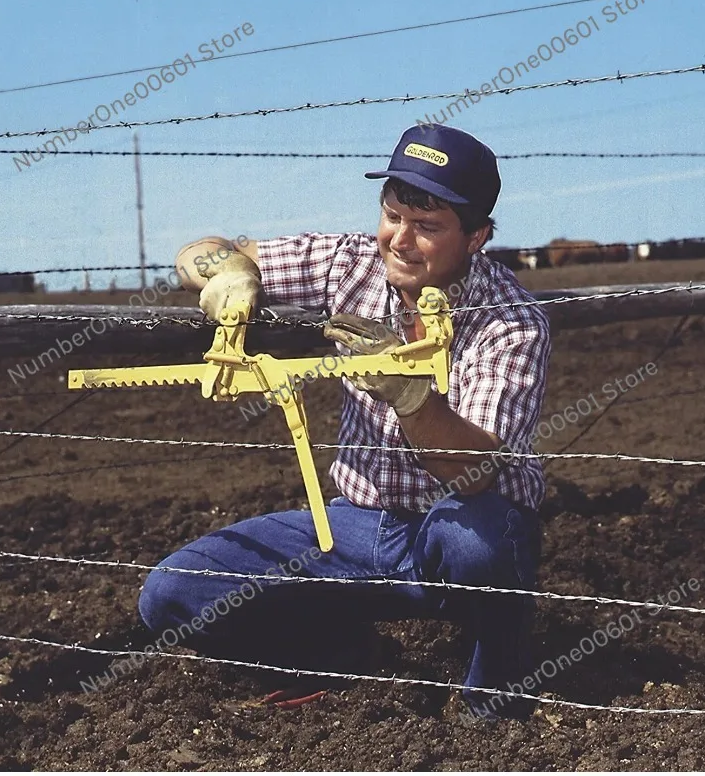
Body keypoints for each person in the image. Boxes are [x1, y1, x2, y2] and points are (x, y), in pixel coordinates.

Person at [138, 123, 551, 719]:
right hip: (353, 529)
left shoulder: (511, 321)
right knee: (174, 594)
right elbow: (203, 249)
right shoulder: (348, 264)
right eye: (392, 216)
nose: (401, 241)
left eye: (428, 227)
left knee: (480, 542)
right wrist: (227, 275)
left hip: (452, 528)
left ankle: (493, 695)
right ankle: (337, 655)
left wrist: (411, 398)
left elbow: (476, 472)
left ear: (476, 238)